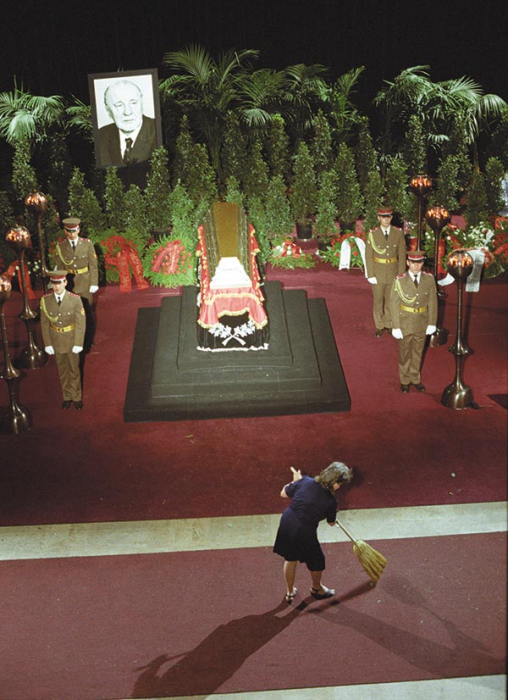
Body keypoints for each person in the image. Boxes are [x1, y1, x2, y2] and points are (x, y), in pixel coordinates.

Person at [273, 462, 353, 603]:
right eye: (340, 484)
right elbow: (331, 523)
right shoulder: (331, 501)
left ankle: (290, 592)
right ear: (335, 484)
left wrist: (294, 482)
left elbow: (283, 493)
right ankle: (316, 588)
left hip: (287, 522)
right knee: (317, 561)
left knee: (291, 559)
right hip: (304, 531)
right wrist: (333, 515)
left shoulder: (305, 481)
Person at [390, 250, 437, 393]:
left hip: (422, 321)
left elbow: (432, 302)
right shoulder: (400, 280)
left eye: (419, 263)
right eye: (413, 263)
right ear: (407, 262)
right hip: (405, 322)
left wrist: (432, 323)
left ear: (423, 263)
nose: (416, 266)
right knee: (405, 352)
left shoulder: (429, 279)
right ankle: (404, 379)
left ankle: (415, 378)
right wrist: (396, 326)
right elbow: (393, 304)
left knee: (418, 351)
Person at [40, 272, 86, 409]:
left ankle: (77, 397)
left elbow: (80, 323)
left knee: (74, 369)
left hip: (71, 340)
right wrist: (48, 343)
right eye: (54, 284)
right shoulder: (46, 301)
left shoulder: (75, 300)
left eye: (59, 283)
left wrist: (78, 343)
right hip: (56, 341)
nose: (57, 287)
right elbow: (44, 324)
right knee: (62, 370)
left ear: (65, 283)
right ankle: (67, 396)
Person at [53, 217, 98, 349]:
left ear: (78, 230)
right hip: (70, 284)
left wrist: (93, 283)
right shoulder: (61, 247)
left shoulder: (87, 244)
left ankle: (88, 340)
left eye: (75, 231)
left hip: (85, 283)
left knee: (86, 312)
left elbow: (93, 265)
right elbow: (60, 268)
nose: (72, 234)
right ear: (65, 232)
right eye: (69, 231)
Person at [365, 206, 407, 338]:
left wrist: (401, 274)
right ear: (378, 218)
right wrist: (370, 274)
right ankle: (379, 325)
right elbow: (368, 255)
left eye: (388, 217)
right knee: (378, 300)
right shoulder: (373, 234)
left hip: (393, 271)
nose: (386, 220)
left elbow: (402, 255)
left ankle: (388, 323)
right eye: (383, 217)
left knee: (390, 300)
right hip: (378, 272)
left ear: (391, 217)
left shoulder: (398, 233)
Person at [97, 79, 157, 167]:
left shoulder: (158, 129)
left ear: (141, 104)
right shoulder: (101, 136)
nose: (127, 112)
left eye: (133, 103)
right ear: (108, 110)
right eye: (119, 105)